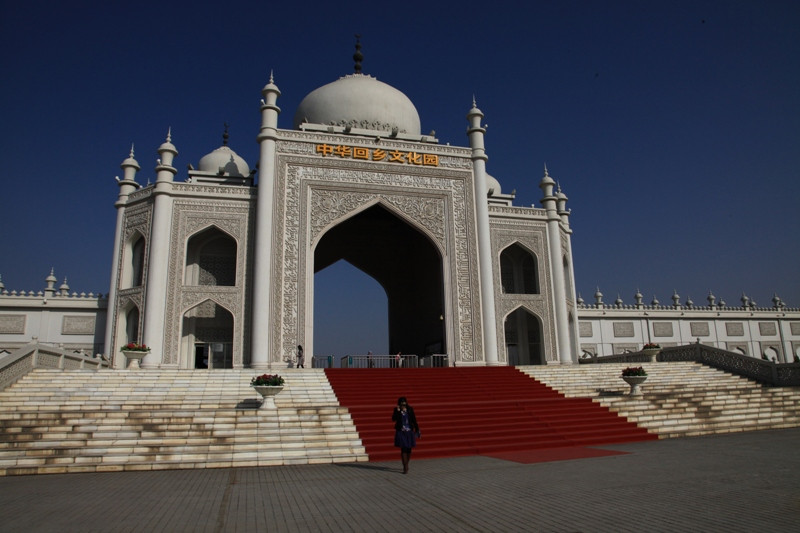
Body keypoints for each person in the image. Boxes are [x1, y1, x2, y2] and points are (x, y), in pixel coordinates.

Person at [392, 396, 420, 474]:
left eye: (404, 403)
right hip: (401, 431)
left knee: (409, 449)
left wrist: (417, 428)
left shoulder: (410, 409)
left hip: (409, 431)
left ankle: (406, 463)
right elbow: (393, 419)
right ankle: (405, 466)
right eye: (401, 404)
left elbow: (414, 419)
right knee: (403, 448)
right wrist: (398, 411)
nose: (403, 405)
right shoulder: (396, 410)